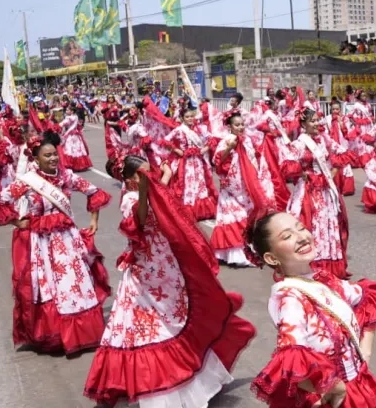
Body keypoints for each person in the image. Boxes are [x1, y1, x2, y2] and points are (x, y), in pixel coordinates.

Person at [85, 156, 255, 407]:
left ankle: (194, 376)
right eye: (143, 173)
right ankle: (155, 385)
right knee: (149, 324)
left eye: (149, 170)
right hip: (146, 272)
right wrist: (147, 189)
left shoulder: (153, 189)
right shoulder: (130, 199)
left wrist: (161, 177)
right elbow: (140, 221)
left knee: (178, 315)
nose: (150, 175)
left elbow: (165, 199)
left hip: (167, 264)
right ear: (131, 179)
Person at [0, 131, 112, 355]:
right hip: (40, 243)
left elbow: (94, 192)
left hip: (67, 240)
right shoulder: (27, 182)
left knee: (74, 285)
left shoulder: (66, 176)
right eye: (47, 155)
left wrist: (93, 221)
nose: (53, 159)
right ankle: (55, 335)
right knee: (47, 287)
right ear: (35, 157)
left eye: (54, 155)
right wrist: (16, 222)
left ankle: (82, 333)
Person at [246, 211, 376, 408]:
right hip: (331, 398)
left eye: (301, 228)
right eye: (287, 236)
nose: (302, 237)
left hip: (356, 385)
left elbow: (369, 299)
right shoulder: (290, 298)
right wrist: (333, 388)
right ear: (271, 258)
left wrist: (365, 351)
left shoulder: (323, 278)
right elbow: (289, 361)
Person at [281, 109, 355, 279]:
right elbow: (288, 165)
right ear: (303, 124)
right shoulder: (300, 143)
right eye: (313, 121)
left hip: (326, 189)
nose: (317, 124)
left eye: (318, 120)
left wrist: (331, 173)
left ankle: (330, 266)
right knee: (312, 225)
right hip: (309, 190)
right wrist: (303, 173)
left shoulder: (324, 139)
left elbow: (342, 154)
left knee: (329, 224)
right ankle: (310, 264)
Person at [210, 110, 276, 267]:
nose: (240, 127)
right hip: (231, 189)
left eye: (242, 124)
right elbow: (217, 162)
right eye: (237, 125)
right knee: (234, 218)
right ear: (230, 127)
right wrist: (229, 149)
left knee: (247, 218)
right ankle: (235, 254)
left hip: (246, 187)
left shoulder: (247, 140)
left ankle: (248, 251)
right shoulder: (226, 140)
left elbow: (254, 160)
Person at [164, 107, 218, 221]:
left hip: (198, 161)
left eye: (191, 116)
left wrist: (205, 148)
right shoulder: (179, 130)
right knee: (188, 184)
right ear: (182, 118)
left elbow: (212, 139)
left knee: (200, 183)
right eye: (187, 117)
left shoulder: (199, 129)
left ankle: (202, 210)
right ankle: (188, 209)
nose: (190, 119)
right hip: (186, 163)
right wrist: (176, 150)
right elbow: (165, 140)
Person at [57, 105, 93, 171]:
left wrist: (56, 124)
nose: (66, 111)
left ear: (72, 111)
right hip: (76, 135)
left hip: (70, 135)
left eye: (68, 110)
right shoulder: (76, 116)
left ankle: (70, 164)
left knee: (69, 149)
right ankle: (80, 164)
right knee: (78, 150)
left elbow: (62, 124)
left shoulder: (69, 118)